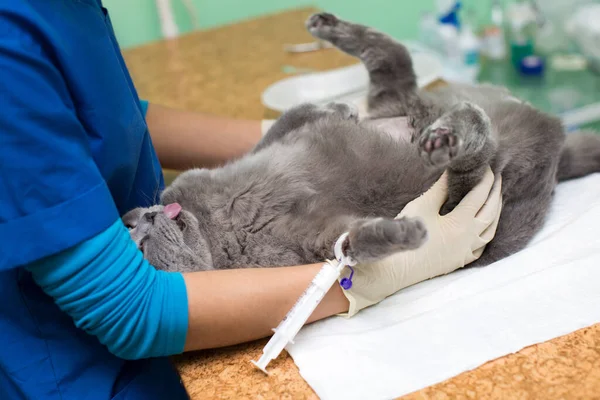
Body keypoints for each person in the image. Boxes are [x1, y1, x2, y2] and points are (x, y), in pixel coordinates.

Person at [0, 1, 502, 399]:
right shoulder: (10, 43)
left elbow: (97, 118)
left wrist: (278, 139)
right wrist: (364, 280)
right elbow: (131, 311)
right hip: (83, 368)